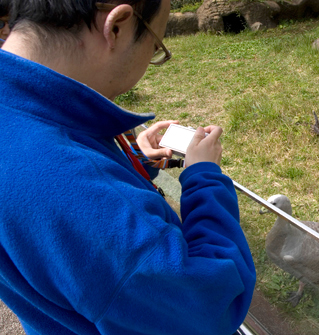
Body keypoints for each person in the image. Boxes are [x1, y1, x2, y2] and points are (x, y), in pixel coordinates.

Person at [0, 1, 256, 335]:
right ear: (117, 26)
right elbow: (208, 310)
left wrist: (129, 160)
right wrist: (204, 178)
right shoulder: (74, 188)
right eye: (155, 46)